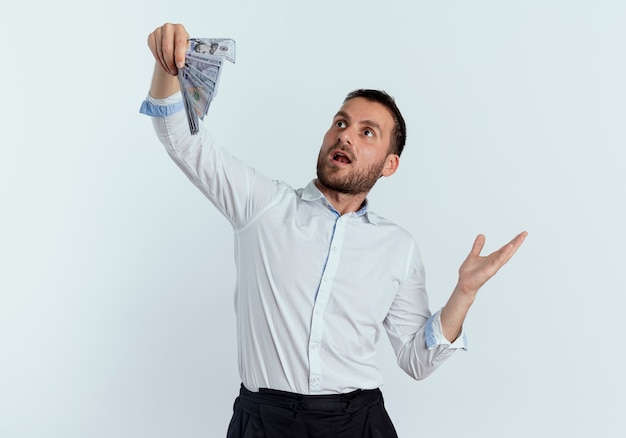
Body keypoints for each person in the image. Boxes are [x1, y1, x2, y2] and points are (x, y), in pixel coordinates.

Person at [140, 22, 527, 438]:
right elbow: (182, 139)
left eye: (367, 132)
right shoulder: (263, 206)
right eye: (340, 123)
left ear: (389, 164)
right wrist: (168, 64)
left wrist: (464, 293)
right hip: (264, 422)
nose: (345, 136)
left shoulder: (397, 247)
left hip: (358, 422)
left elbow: (418, 361)